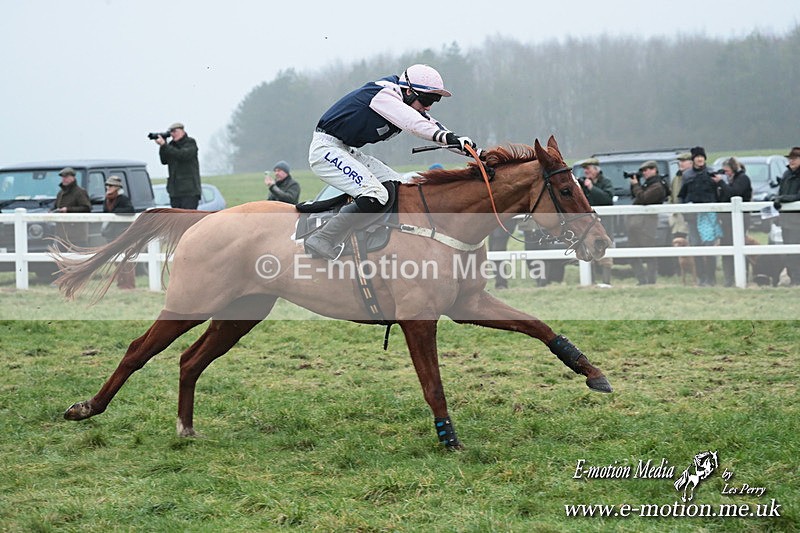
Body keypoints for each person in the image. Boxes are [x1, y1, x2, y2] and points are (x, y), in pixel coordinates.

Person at [304, 64, 479, 260]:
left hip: (345, 149)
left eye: (434, 100)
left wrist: (476, 153)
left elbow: (431, 124)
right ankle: (323, 237)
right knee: (375, 193)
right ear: (408, 91)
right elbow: (415, 124)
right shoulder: (384, 95)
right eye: (427, 99)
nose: (428, 106)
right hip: (326, 149)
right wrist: (447, 137)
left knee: (402, 186)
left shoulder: (404, 98)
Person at [678, 146, 724, 286]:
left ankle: (711, 277)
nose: (700, 159)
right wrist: (686, 212)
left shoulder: (712, 173)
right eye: (697, 157)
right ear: (693, 159)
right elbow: (682, 196)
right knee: (696, 246)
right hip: (693, 217)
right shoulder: (687, 176)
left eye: (702, 157)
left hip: (709, 217)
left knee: (709, 246)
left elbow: (718, 193)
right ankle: (701, 277)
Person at [627, 160, 668, 285]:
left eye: (647, 170)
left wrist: (635, 185)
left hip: (647, 224)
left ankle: (650, 281)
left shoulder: (657, 186)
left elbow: (644, 198)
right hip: (636, 223)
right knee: (633, 254)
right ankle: (642, 280)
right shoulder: (648, 184)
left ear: (654, 170)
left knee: (649, 254)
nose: (645, 173)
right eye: (643, 171)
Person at [717, 157, 752, 286]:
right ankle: (728, 278)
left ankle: (743, 275)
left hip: (740, 219)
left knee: (740, 246)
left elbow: (735, 194)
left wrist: (721, 183)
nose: (726, 173)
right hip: (726, 221)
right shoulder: (730, 181)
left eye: (727, 170)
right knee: (726, 247)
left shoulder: (742, 179)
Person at [580, 158, 615, 286]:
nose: (585, 171)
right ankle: (591, 282)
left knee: (605, 253)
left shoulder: (606, 182)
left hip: (603, 224)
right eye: (585, 169)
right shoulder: (582, 183)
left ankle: (606, 282)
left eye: (588, 168)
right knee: (588, 251)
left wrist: (592, 188)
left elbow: (607, 199)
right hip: (588, 225)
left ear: (596, 169)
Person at [154, 122, 201, 209]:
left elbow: (182, 155)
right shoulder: (171, 145)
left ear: (182, 131)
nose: (172, 134)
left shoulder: (190, 143)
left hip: (189, 191)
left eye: (174, 131)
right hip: (175, 191)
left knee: (188, 218)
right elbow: (164, 160)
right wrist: (162, 146)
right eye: (171, 132)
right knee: (176, 219)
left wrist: (165, 146)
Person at [101, 175, 136, 289]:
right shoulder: (107, 199)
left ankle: (129, 283)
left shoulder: (123, 199)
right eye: (107, 185)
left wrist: (115, 212)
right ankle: (121, 282)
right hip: (111, 233)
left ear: (116, 187)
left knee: (126, 260)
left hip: (123, 233)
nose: (108, 187)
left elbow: (130, 210)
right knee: (117, 260)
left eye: (110, 185)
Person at [774, 146, 800, 285]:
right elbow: (781, 191)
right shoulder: (786, 174)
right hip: (786, 220)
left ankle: (797, 279)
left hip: (797, 220)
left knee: (796, 250)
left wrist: (782, 198)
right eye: (790, 158)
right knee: (788, 250)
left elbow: (798, 196)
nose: (791, 161)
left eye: (795, 158)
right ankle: (792, 277)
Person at [53, 167, 91, 248]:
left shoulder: (80, 192)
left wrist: (68, 210)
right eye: (63, 177)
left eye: (66, 177)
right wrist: (51, 211)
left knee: (80, 258)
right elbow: (55, 206)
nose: (64, 179)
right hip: (62, 235)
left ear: (73, 177)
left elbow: (86, 208)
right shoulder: (60, 193)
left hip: (77, 235)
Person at [669, 152, 692, 239]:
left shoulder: (693, 177)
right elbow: (671, 195)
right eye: (680, 161)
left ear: (691, 162)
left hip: (689, 216)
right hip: (677, 218)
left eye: (683, 161)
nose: (680, 163)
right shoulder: (676, 178)